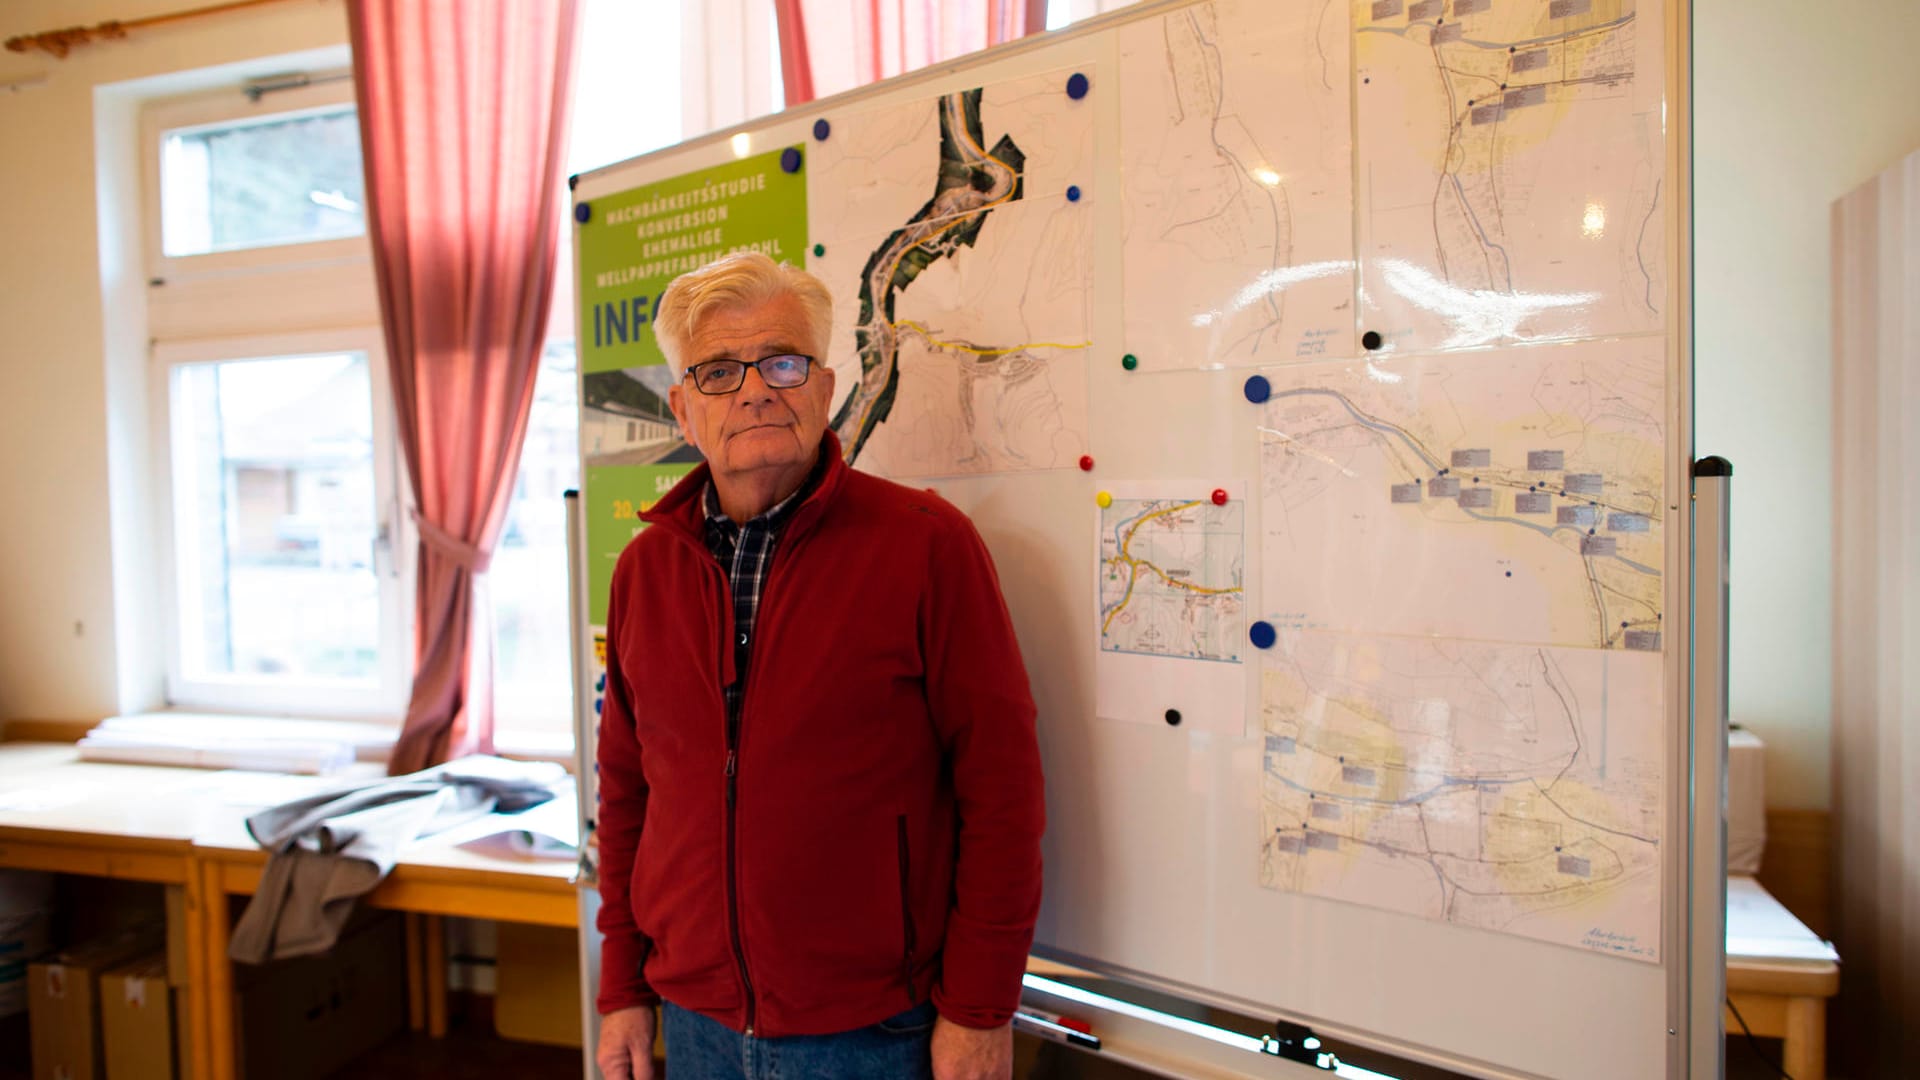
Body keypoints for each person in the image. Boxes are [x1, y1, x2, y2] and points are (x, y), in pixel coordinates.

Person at [593, 251, 1045, 1080]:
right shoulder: (644, 570)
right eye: (720, 371)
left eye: (783, 361)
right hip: (695, 1022)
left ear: (825, 389)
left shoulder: (926, 546)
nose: (757, 389)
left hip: (879, 1031)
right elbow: (628, 795)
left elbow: (1003, 793)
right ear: (683, 409)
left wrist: (980, 1009)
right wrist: (621, 988)